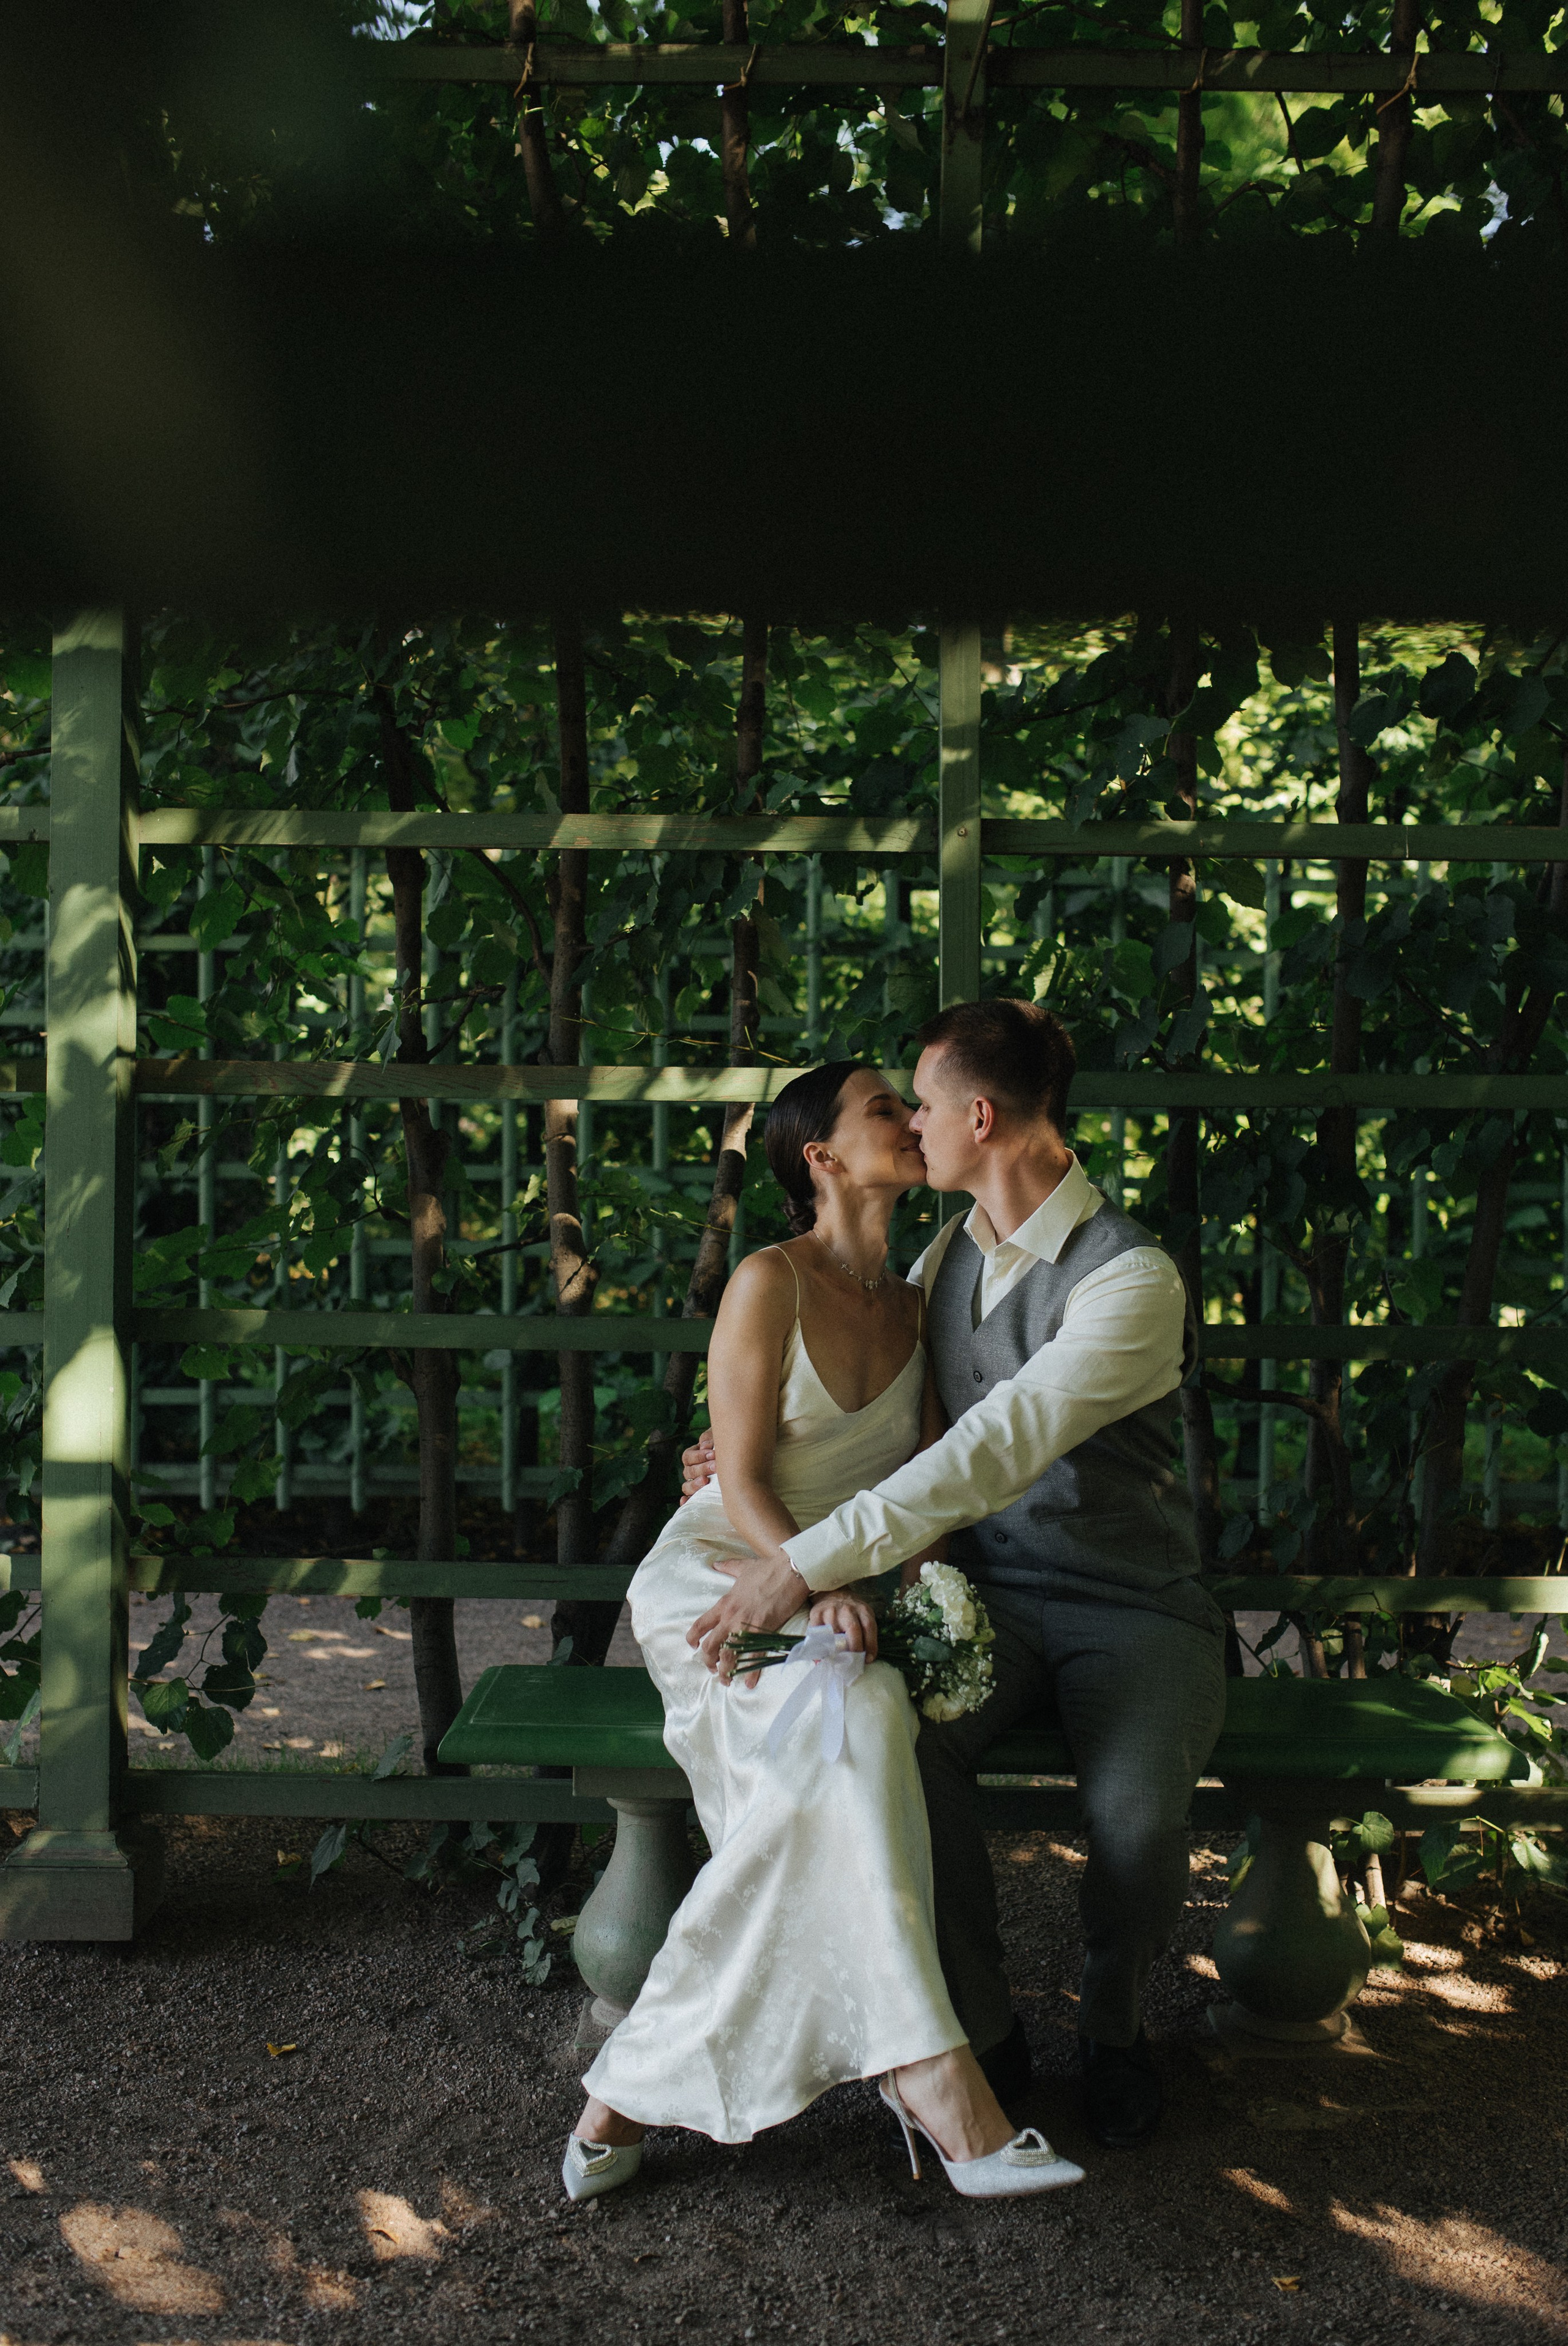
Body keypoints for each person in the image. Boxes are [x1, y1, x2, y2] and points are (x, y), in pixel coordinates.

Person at [685, 1000, 1227, 2150]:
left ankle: (1117, 2032)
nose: (912, 1124)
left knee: (1132, 1825)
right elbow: (885, 1423)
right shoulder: (943, 1257)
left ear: (979, 1117)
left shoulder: (1133, 1280)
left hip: (1135, 1609)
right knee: (901, 1751)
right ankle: (983, 2027)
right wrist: (750, 1456)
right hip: (995, 1602)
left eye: (922, 1104)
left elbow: (993, 1445)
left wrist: (801, 1564)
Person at [564, 1060, 1085, 2206]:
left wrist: (911, 1587)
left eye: (913, 1105)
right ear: (823, 1156)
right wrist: (804, 1580)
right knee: (854, 1724)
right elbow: (737, 1475)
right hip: (726, 1574)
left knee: (861, 1725)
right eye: (882, 1109)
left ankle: (626, 2089)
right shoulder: (768, 1281)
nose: (910, 1119)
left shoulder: (925, 1299)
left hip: (846, 1588)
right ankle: (940, 2086)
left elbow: (939, 1483)